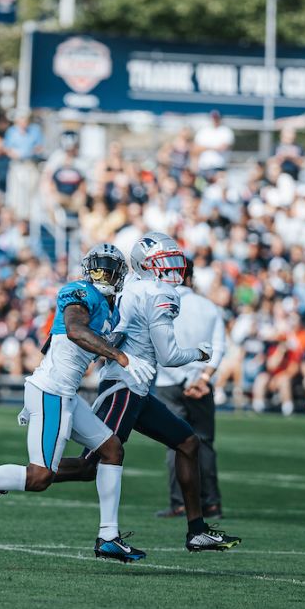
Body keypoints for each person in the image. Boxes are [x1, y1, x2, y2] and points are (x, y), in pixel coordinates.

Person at [0, 244, 158, 563]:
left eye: (107, 268)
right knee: (40, 477)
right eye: (100, 267)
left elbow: (53, 344)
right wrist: (121, 357)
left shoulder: (109, 307)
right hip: (53, 393)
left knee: (112, 449)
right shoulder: (79, 292)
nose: (103, 274)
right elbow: (73, 330)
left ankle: (109, 537)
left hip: (61, 393)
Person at [88, 233, 241, 552]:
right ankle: (11, 478)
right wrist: (200, 354)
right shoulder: (154, 292)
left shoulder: (134, 288)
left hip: (136, 389)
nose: (171, 268)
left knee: (187, 442)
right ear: (145, 265)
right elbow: (169, 356)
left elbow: (114, 336)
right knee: (89, 464)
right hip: (124, 387)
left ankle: (197, 530)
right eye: (162, 262)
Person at [152, 260, 227, 520]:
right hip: (202, 384)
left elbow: (162, 350)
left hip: (171, 382)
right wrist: (203, 378)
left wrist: (185, 380)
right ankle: (212, 504)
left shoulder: (162, 304)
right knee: (204, 443)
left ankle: (180, 503)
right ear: (191, 277)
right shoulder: (209, 306)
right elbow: (219, 347)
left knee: (175, 444)